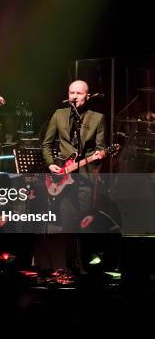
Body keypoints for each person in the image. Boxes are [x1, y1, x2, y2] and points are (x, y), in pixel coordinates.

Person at [41, 80, 106, 273]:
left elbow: (101, 148)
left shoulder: (97, 118)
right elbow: (46, 144)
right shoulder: (59, 115)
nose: (74, 96)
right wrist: (50, 163)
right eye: (71, 92)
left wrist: (100, 154)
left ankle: (85, 269)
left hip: (85, 178)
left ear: (87, 96)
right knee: (68, 226)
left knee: (84, 224)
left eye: (78, 93)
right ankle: (68, 268)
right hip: (63, 179)